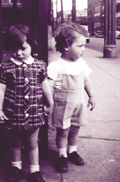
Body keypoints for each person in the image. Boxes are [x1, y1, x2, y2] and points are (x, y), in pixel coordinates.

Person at [0, 24, 53, 182]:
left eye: (23, 48)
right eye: (14, 49)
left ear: (31, 45)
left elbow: (45, 86)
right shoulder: (5, 67)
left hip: (35, 112)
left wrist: (50, 103)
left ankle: (35, 171)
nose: (18, 53)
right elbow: (0, 89)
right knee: (15, 142)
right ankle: (16, 168)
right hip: (14, 113)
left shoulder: (40, 65)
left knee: (33, 143)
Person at [47, 22, 95, 173]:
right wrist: (48, 103)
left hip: (79, 103)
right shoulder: (56, 66)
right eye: (80, 46)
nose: (83, 49)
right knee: (63, 131)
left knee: (75, 129)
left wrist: (92, 96)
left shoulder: (81, 63)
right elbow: (48, 85)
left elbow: (87, 80)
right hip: (63, 104)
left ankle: (72, 151)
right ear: (67, 45)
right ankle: (62, 155)